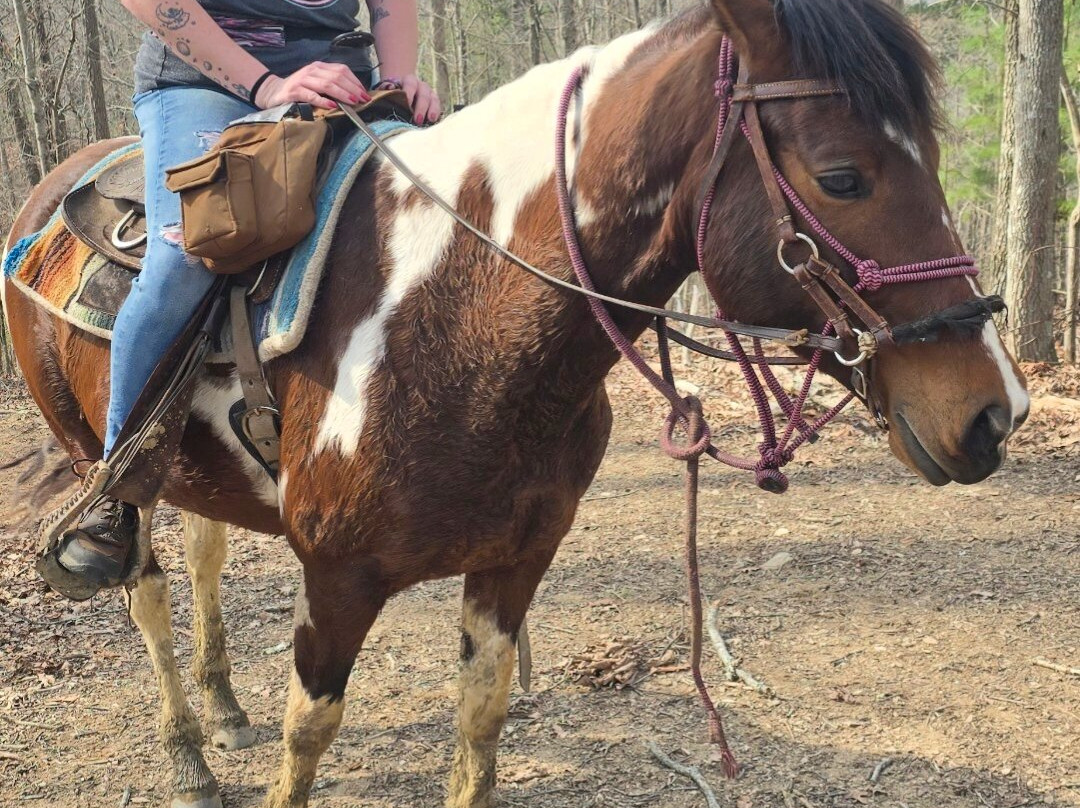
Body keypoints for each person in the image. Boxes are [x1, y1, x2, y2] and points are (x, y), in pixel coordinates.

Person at [44, 0, 440, 598]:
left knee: (442, 222)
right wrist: (268, 83)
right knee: (184, 257)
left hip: (342, 77)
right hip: (207, 81)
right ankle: (118, 490)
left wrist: (399, 75)